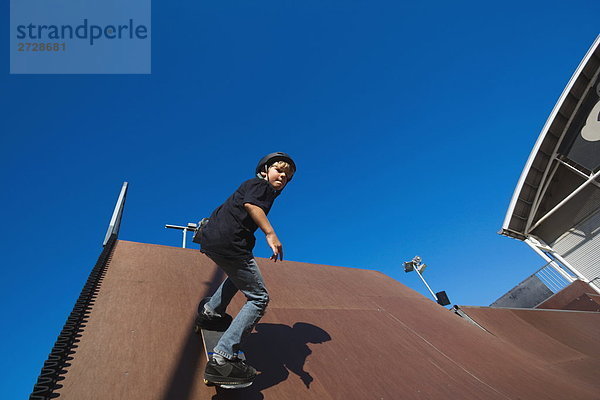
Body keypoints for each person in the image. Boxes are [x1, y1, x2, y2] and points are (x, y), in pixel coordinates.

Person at [194, 152, 296, 385]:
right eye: (279, 170)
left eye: (287, 176)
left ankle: (211, 313)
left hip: (214, 240)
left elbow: (230, 208)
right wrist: (270, 233)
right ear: (264, 171)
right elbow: (252, 205)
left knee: (237, 276)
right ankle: (223, 358)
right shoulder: (262, 187)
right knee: (259, 298)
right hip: (230, 244)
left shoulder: (249, 186)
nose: (283, 176)